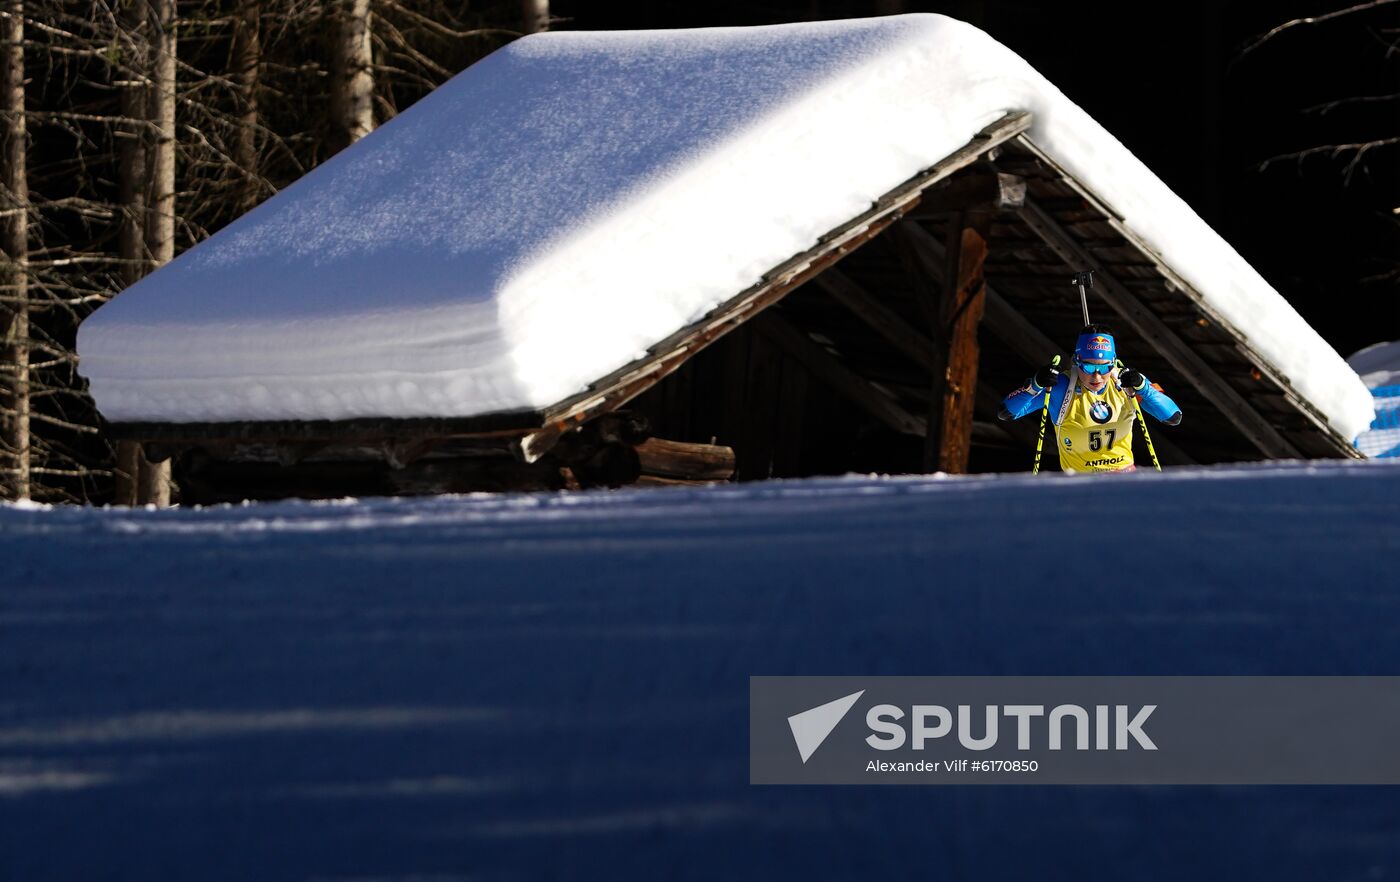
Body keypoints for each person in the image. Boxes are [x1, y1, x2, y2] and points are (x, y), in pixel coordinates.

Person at [998, 325, 1182, 474]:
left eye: (1104, 368)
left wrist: (1144, 388)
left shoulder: (1126, 382)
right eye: (1087, 367)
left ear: (1114, 362)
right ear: (1076, 361)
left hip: (1123, 478)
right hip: (1079, 483)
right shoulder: (1061, 386)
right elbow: (1006, 413)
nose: (1097, 376)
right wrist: (1035, 385)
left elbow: (1172, 417)